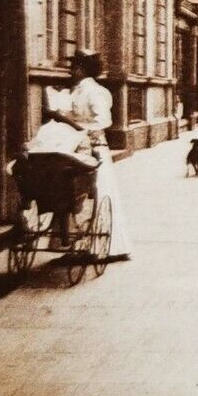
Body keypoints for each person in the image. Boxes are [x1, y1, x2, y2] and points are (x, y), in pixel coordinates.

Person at [52, 49, 131, 261]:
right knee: (74, 192)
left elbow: (103, 121)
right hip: (75, 148)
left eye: (73, 67)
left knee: (98, 191)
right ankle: (76, 244)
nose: (70, 71)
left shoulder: (95, 92)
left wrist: (73, 125)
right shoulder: (76, 91)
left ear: (81, 69)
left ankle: (100, 247)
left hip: (94, 149)